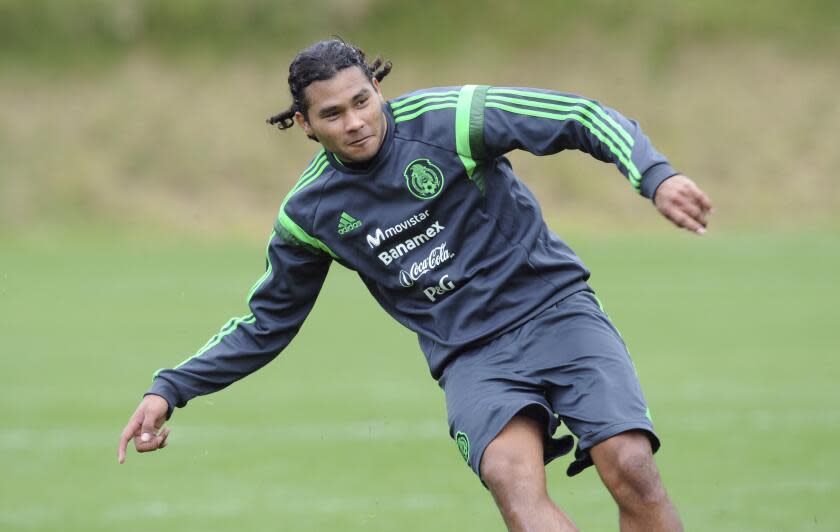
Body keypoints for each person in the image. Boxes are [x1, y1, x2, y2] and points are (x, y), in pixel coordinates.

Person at [118, 38, 712, 531]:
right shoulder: (310, 214)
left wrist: (654, 176)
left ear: (378, 89)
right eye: (332, 114)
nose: (355, 123)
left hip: (556, 310)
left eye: (362, 101)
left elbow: (576, 117)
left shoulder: (450, 119)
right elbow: (267, 323)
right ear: (303, 124)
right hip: (471, 356)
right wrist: (169, 389)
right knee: (512, 481)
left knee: (630, 464)